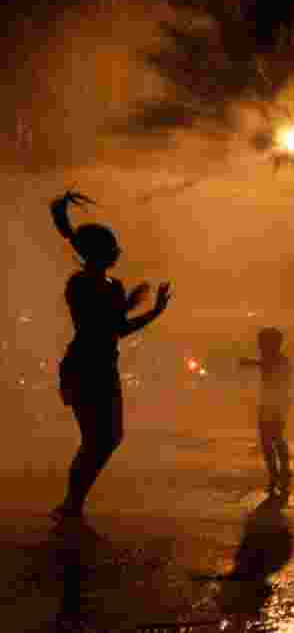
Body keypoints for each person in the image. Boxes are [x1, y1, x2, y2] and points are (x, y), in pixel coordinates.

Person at [49, 190, 172, 521]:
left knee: (107, 438)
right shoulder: (80, 284)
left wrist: (153, 310)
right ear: (101, 252)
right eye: (112, 247)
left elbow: (117, 329)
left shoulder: (112, 286)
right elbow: (98, 326)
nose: (118, 252)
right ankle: (71, 503)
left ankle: (72, 502)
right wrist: (132, 307)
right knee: (97, 439)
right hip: (84, 368)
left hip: (103, 368)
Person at [240, 327, 293, 494]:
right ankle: (276, 475)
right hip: (268, 405)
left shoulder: (279, 360)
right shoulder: (273, 359)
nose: (260, 346)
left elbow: (271, 368)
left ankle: (282, 474)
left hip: (276, 405)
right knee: (268, 442)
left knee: (275, 440)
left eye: (262, 342)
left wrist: (250, 363)